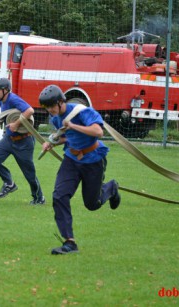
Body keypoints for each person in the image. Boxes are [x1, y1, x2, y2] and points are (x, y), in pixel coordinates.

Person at [38, 84, 121, 255]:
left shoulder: (81, 111)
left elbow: (98, 131)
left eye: (52, 106)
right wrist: (51, 143)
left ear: (61, 102)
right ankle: (70, 242)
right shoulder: (56, 119)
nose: (50, 111)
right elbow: (67, 137)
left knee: (92, 204)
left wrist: (72, 126)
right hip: (71, 159)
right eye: (47, 108)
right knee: (59, 195)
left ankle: (111, 188)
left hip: (93, 159)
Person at [0, 78, 45, 205]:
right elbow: (10, 114)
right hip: (9, 139)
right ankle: (9, 183)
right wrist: (2, 120)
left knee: (29, 174)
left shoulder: (13, 98)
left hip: (24, 141)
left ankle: (39, 198)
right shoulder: (1, 100)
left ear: (5, 90)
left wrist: (16, 124)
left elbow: (30, 110)